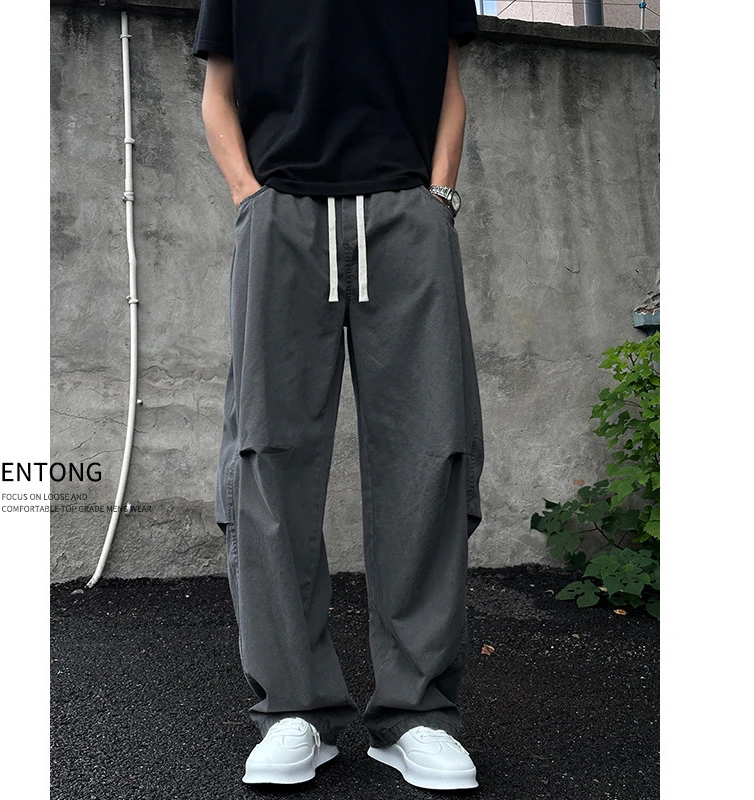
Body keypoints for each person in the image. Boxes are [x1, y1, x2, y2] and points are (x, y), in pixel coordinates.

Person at [192, 0, 485, 791]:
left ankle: (418, 714)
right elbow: (218, 91)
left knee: (432, 453)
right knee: (266, 459)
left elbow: (449, 84)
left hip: (406, 214)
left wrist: (439, 199)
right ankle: (293, 709)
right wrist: (249, 197)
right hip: (281, 215)